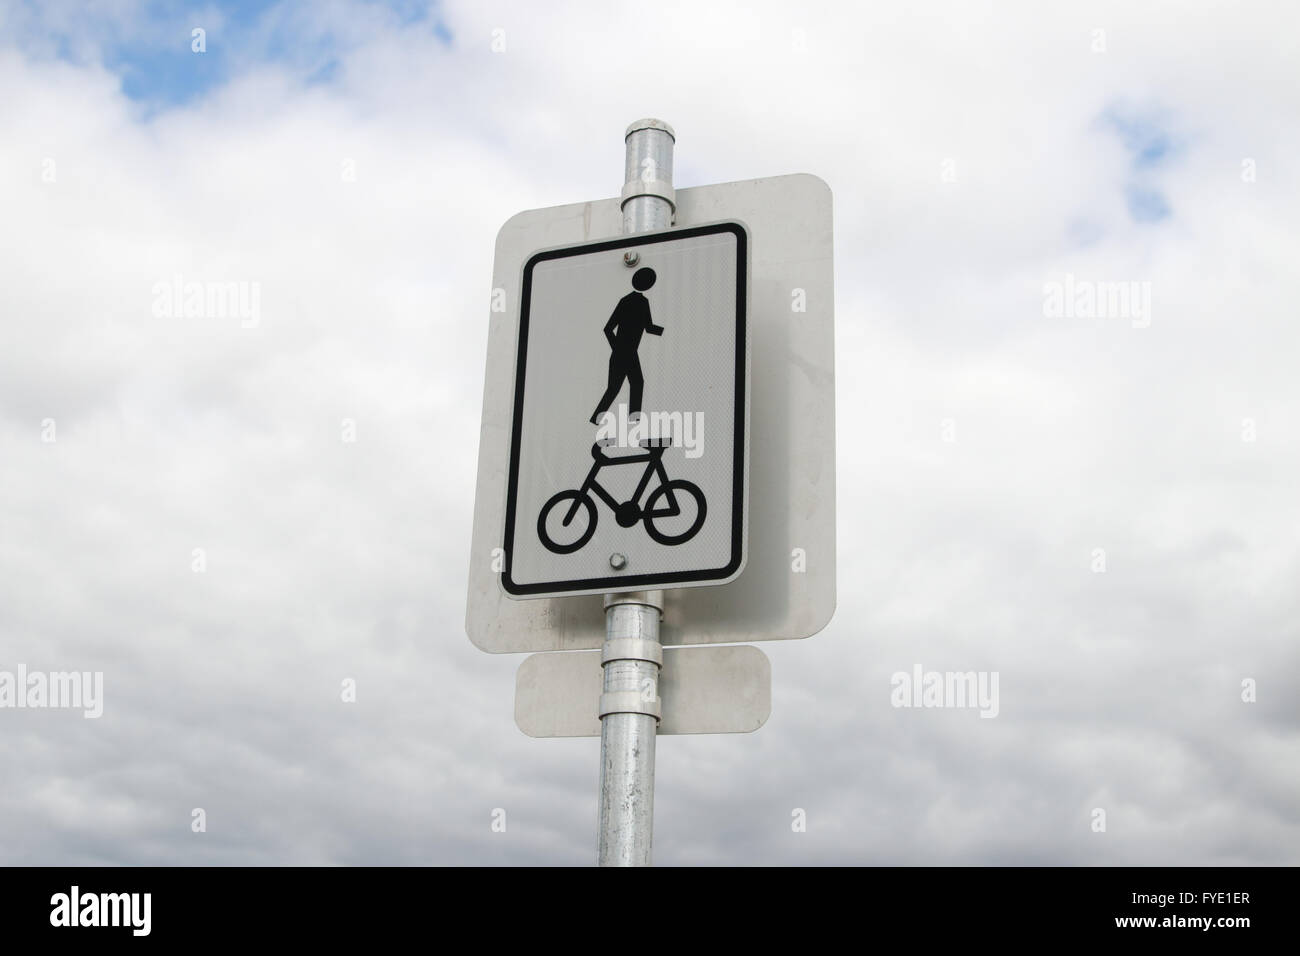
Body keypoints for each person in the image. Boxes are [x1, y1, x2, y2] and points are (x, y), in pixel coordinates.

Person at [589, 267, 663, 425]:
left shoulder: (643, 302)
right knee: (614, 388)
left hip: (630, 353)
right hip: (622, 353)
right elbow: (608, 328)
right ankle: (596, 419)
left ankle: (634, 421)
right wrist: (618, 348)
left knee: (637, 383)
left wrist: (665, 330)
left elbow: (648, 327)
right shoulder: (627, 301)